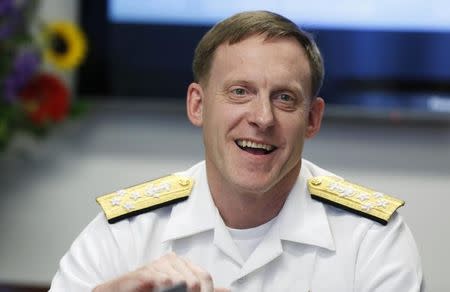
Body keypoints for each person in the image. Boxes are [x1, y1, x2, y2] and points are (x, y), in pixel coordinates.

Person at [50, 11, 423, 292]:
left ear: (312, 118)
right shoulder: (126, 231)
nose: (262, 118)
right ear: (197, 105)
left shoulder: (371, 239)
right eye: (239, 92)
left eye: (285, 98)